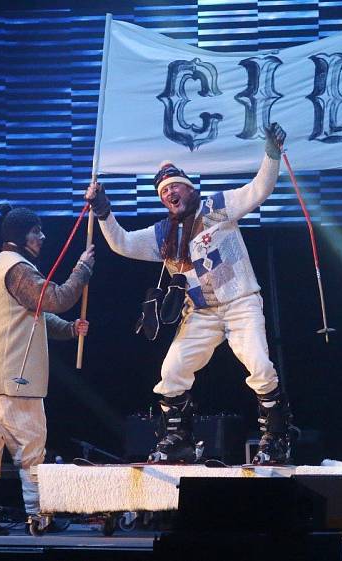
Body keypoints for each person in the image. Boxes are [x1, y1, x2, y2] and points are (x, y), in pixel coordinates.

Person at [85, 123, 293, 465]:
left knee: (258, 363)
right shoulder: (164, 233)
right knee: (172, 372)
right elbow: (121, 243)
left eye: (174, 187)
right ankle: (177, 440)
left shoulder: (216, 207)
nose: (169, 194)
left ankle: (276, 438)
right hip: (201, 312)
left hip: (240, 302)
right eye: (164, 193)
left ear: (189, 188)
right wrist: (104, 211)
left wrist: (271, 154)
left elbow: (260, 189)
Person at [0, 205, 94, 535]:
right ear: (23, 236)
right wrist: (82, 270)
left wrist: (68, 329)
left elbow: (35, 316)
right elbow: (56, 298)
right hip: (13, 377)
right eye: (37, 231)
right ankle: (39, 516)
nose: (42, 237)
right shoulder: (17, 269)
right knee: (31, 446)